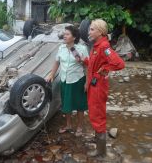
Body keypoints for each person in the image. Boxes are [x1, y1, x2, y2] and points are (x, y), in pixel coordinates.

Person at [82, 19, 125, 157]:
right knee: (94, 114)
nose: (89, 31)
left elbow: (119, 64)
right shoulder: (96, 46)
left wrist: (105, 68)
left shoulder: (104, 47)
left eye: (92, 29)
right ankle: (97, 139)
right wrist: (84, 60)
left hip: (98, 87)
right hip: (93, 85)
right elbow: (95, 63)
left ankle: (101, 153)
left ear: (100, 32)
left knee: (98, 116)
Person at [46, 25, 89, 137]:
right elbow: (57, 62)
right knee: (66, 104)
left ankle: (79, 126)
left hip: (78, 80)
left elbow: (87, 66)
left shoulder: (82, 49)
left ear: (74, 37)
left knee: (80, 105)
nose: (64, 36)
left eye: (67, 34)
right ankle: (68, 125)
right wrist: (51, 74)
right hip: (64, 80)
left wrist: (87, 82)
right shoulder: (61, 48)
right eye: (64, 34)